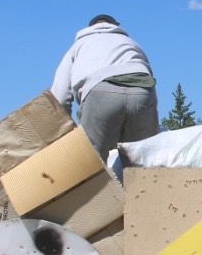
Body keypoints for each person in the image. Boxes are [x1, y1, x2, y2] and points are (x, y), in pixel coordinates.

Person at [51, 14, 159, 161]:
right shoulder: (131, 43)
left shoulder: (79, 45)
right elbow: (147, 75)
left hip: (100, 91)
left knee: (92, 163)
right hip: (142, 92)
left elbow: (60, 95)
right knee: (142, 163)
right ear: (116, 26)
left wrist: (58, 131)